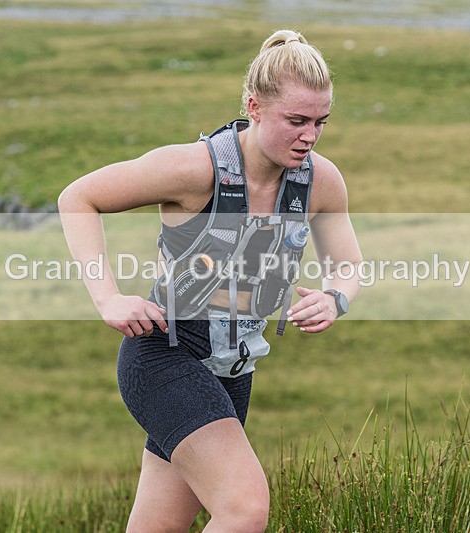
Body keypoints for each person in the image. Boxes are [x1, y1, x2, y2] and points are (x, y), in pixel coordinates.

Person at [58, 29, 362, 532]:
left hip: (232, 372)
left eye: (320, 122)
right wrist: (107, 296)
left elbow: (349, 265)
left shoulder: (320, 181)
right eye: (296, 121)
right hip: (165, 355)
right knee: (245, 508)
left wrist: (336, 299)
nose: (310, 135)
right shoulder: (193, 169)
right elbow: (78, 198)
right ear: (255, 106)